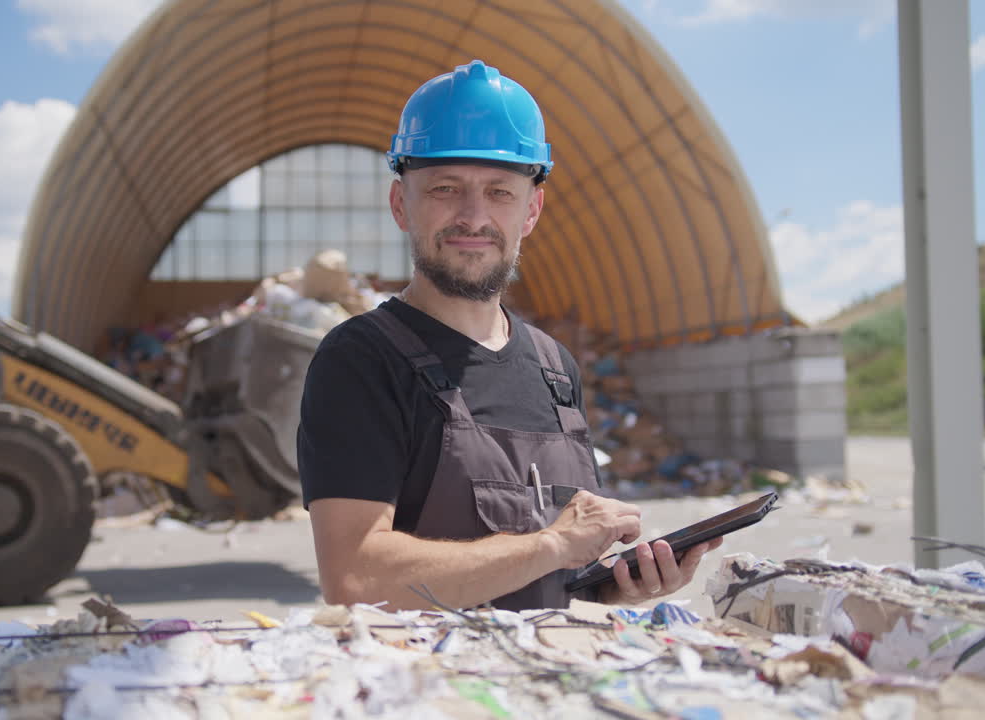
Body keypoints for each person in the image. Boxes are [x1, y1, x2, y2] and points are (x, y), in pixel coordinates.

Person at [297, 60, 720, 612]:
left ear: (531, 210)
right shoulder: (360, 360)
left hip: (539, 684)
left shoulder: (554, 368)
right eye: (446, 188)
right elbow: (356, 578)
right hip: (427, 692)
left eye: (499, 191)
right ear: (402, 204)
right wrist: (552, 544)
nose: (473, 217)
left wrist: (613, 582)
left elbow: (554, 568)